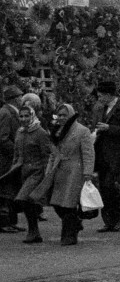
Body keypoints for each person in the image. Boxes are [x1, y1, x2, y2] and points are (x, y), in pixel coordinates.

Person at [28, 103, 94, 246]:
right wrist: (49, 170)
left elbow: (88, 153)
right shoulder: (56, 131)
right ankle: (74, 224)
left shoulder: (82, 131)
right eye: (60, 115)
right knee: (57, 203)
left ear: (71, 114)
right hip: (58, 170)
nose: (62, 118)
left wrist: (88, 172)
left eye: (65, 115)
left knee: (68, 203)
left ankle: (69, 236)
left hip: (75, 171)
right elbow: (53, 152)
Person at [91, 80, 120, 232]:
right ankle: (109, 220)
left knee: (109, 186)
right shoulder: (99, 108)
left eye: (101, 95)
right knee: (103, 187)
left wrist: (110, 128)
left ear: (109, 95)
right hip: (101, 152)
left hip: (117, 153)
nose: (99, 98)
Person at [10, 103, 54, 243]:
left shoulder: (40, 132)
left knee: (24, 198)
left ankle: (33, 230)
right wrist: (14, 167)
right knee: (27, 201)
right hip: (22, 171)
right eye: (21, 116)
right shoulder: (20, 131)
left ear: (32, 115)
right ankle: (34, 231)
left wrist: (47, 174)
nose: (23, 118)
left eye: (26, 115)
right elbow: (17, 152)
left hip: (36, 171)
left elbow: (46, 154)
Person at [0, 85, 23, 233]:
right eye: (20, 97)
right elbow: (2, 138)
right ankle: (4, 222)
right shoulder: (6, 113)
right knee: (5, 191)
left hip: (10, 159)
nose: (22, 99)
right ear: (14, 99)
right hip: (6, 160)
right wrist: (16, 152)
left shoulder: (10, 112)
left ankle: (10, 221)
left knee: (11, 190)